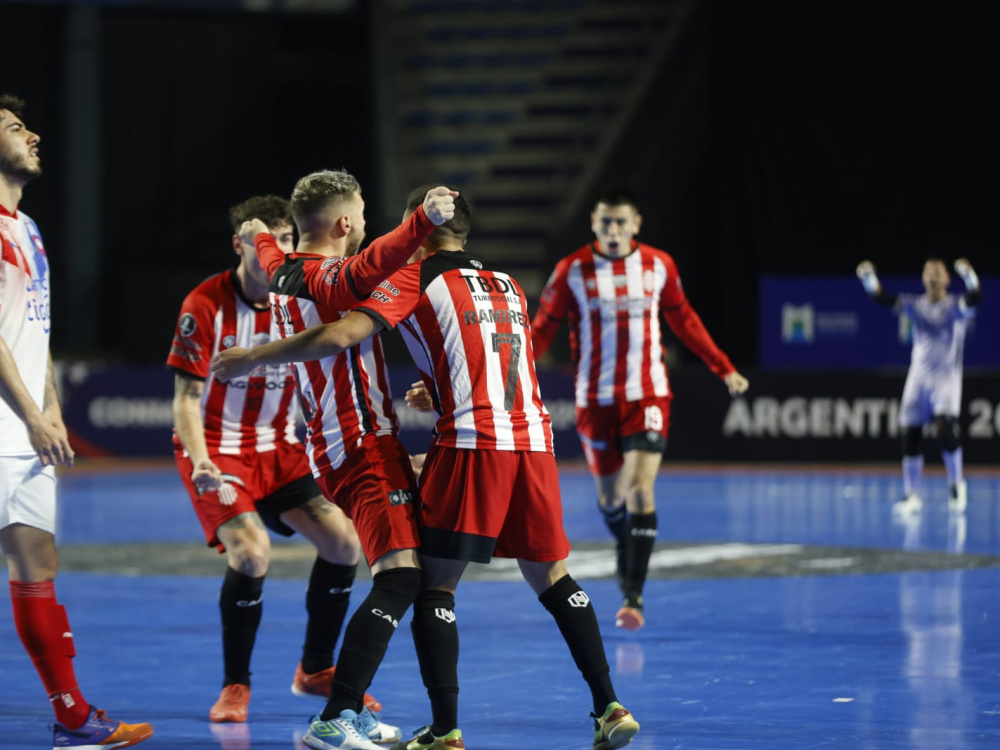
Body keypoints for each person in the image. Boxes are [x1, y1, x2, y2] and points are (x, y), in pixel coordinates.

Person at [211, 185, 641, 750]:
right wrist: (437, 390)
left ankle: (443, 729)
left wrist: (251, 354)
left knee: (430, 585)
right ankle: (609, 706)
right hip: (533, 442)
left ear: (420, 227)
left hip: (471, 442)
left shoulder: (412, 278)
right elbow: (490, 360)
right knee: (553, 577)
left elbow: (342, 334)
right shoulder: (509, 285)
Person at [214, 170, 458, 750]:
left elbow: (273, 255)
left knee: (402, 574)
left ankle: (350, 708)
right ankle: (334, 717)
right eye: (364, 216)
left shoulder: (283, 274)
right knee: (400, 578)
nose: (369, 226)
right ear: (346, 223)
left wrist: (257, 237)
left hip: (335, 446)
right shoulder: (332, 278)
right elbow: (381, 257)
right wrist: (424, 219)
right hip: (360, 445)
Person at [168, 194, 385, 723]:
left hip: (282, 449)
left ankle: (315, 670)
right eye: (265, 236)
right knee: (252, 553)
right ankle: (235, 685)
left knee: (344, 541)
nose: (279, 247)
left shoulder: (300, 299)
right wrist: (200, 462)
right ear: (240, 243)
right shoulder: (206, 304)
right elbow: (185, 400)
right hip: (218, 452)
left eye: (287, 238)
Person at [0, 94, 154, 747]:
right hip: (12, 421)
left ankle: (71, 717)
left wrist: (52, 404)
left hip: (26, 426)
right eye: (13, 128)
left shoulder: (27, 229)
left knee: (37, 561)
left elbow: (32, 330)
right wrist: (33, 413)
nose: (33, 134)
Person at [530, 186, 749, 631]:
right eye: (605, 222)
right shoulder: (571, 270)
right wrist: (506, 375)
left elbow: (683, 319)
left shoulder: (658, 265)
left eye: (621, 222)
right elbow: (541, 330)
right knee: (611, 499)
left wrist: (723, 367)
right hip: (594, 399)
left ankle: (633, 594)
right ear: (593, 222)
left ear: (636, 224)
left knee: (641, 491)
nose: (613, 230)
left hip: (647, 393)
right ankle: (626, 544)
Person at [856, 257, 982, 516]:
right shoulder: (916, 305)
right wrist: (868, 278)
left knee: (945, 430)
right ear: (924, 279)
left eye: (938, 273)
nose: (933, 278)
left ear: (947, 279)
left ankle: (957, 484)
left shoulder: (954, 307)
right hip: (918, 378)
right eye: (928, 273)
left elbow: (975, 297)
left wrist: (969, 275)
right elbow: (883, 298)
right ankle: (912, 494)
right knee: (910, 435)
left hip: (946, 379)